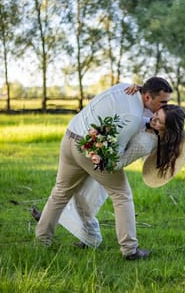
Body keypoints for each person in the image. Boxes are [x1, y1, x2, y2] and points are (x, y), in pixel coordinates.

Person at [35, 77, 173, 260]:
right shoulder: (132, 116)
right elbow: (113, 156)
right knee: (122, 195)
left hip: (70, 136)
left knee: (60, 192)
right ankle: (130, 250)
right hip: (87, 148)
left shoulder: (125, 88)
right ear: (147, 97)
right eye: (162, 102)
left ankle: (42, 242)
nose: (164, 106)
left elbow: (130, 118)